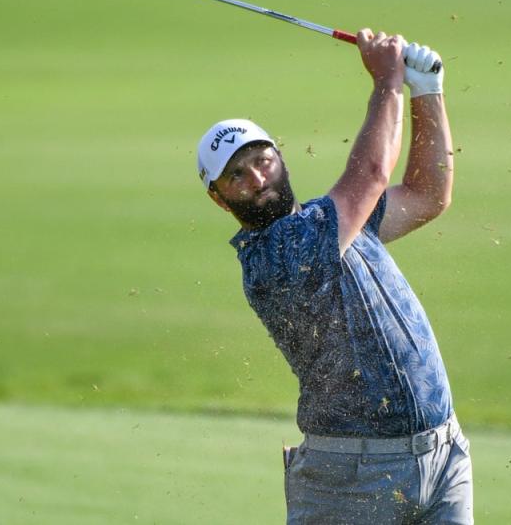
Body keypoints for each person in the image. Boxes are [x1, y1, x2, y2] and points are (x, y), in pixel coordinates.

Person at [196, 29, 472, 524]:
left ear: (279, 156)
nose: (258, 179)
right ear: (219, 198)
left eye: (261, 160)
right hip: (354, 478)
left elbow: (429, 194)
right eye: (237, 175)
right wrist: (387, 80)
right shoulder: (273, 257)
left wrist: (427, 92)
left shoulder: (334, 223)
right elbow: (369, 174)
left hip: (443, 456)